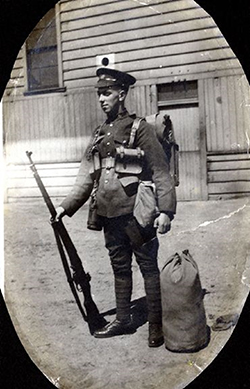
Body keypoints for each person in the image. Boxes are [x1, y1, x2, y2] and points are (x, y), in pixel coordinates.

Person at [55, 68, 176, 347]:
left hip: (137, 214)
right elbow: (86, 174)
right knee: (119, 267)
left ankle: (156, 327)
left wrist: (166, 211)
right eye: (99, 93)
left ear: (122, 94)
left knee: (148, 267)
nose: (101, 98)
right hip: (109, 214)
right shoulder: (99, 133)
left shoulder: (139, 128)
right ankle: (122, 320)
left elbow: (160, 171)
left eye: (106, 93)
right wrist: (65, 207)